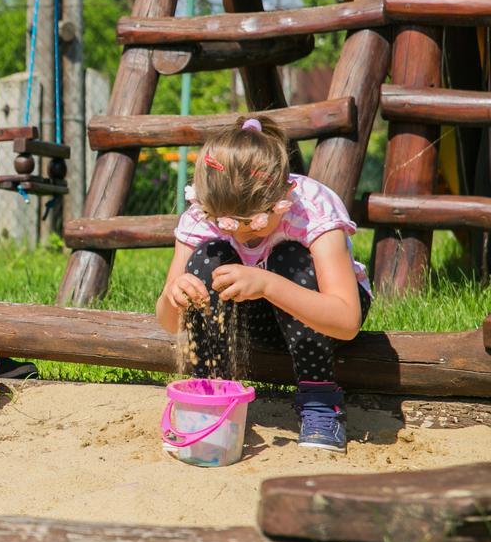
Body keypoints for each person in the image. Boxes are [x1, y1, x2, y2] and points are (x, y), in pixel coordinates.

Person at [155, 115, 371, 453]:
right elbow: (169, 323)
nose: (241, 233)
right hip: (255, 321)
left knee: (288, 257)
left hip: (321, 320)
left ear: (286, 193)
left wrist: (267, 284)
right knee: (207, 258)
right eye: (226, 223)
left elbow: (346, 323)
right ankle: (210, 396)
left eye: (254, 222)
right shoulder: (201, 216)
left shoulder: (312, 208)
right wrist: (175, 296)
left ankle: (320, 402)